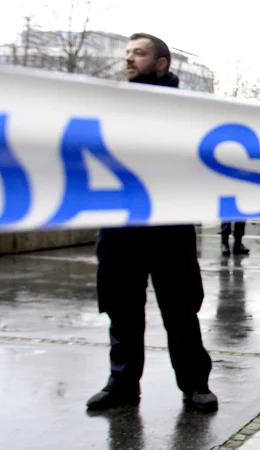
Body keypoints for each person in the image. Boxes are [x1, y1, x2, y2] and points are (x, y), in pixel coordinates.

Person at [86, 33, 217, 413]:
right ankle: (122, 384)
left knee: (180, 311)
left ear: (161, 64)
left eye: (138, 54)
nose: (129, 60)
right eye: (127, 53)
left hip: (168, 225)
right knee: (121, 310)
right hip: (119, 224)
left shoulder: (185, 108)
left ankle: (195, 385)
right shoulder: (110, 103)